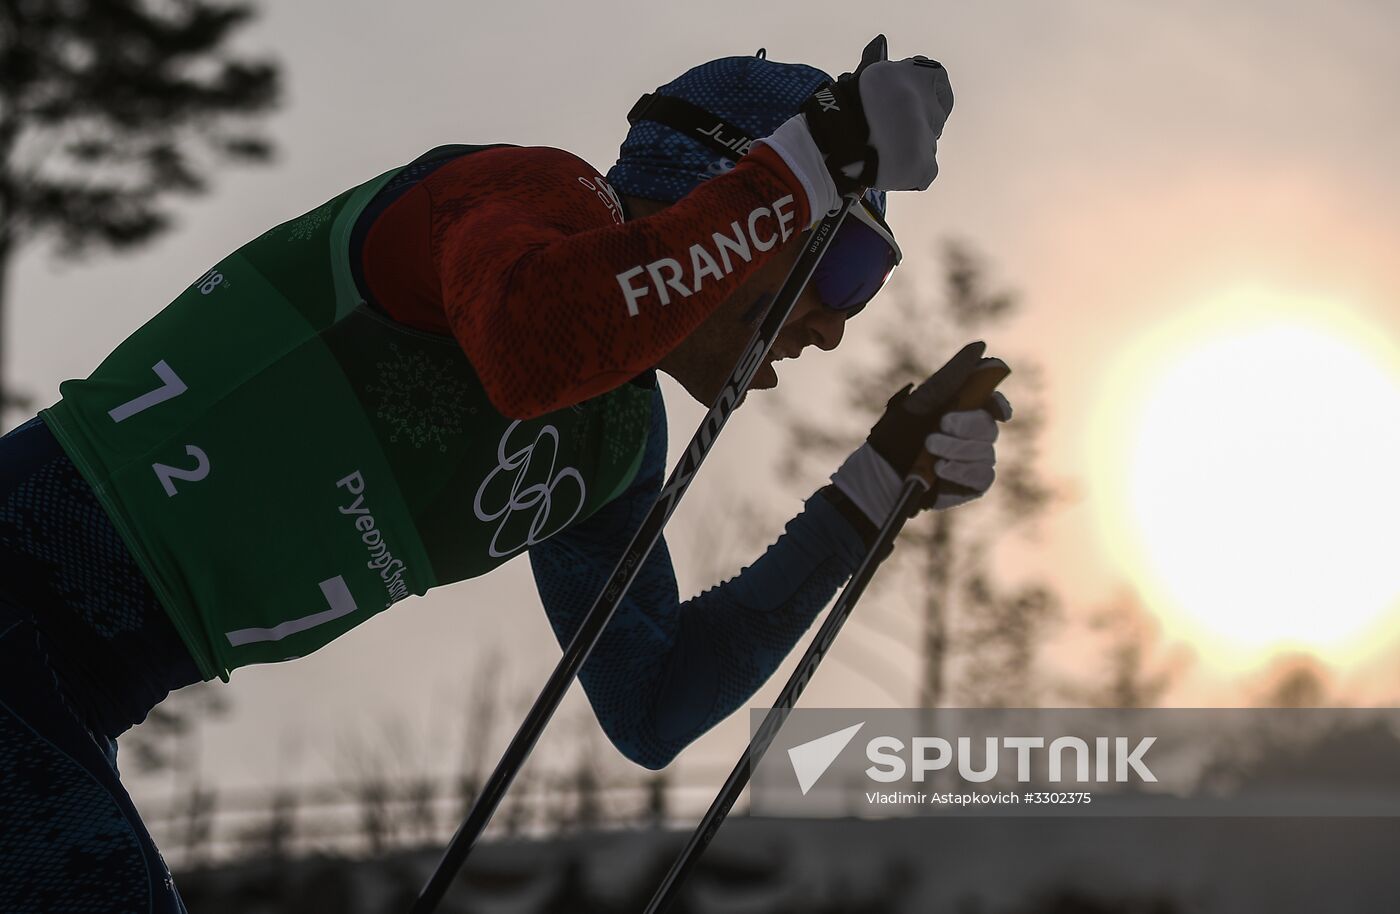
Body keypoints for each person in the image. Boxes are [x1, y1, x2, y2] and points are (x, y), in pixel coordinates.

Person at [0, 36, 1009, 912]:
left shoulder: (612, 441)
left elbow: (652, 701)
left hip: (73, 701)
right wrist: (805, 168)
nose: (833, 328)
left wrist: (867, 494)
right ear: (733, 187)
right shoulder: (527, 193)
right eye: (842, 270)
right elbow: (531, 345)